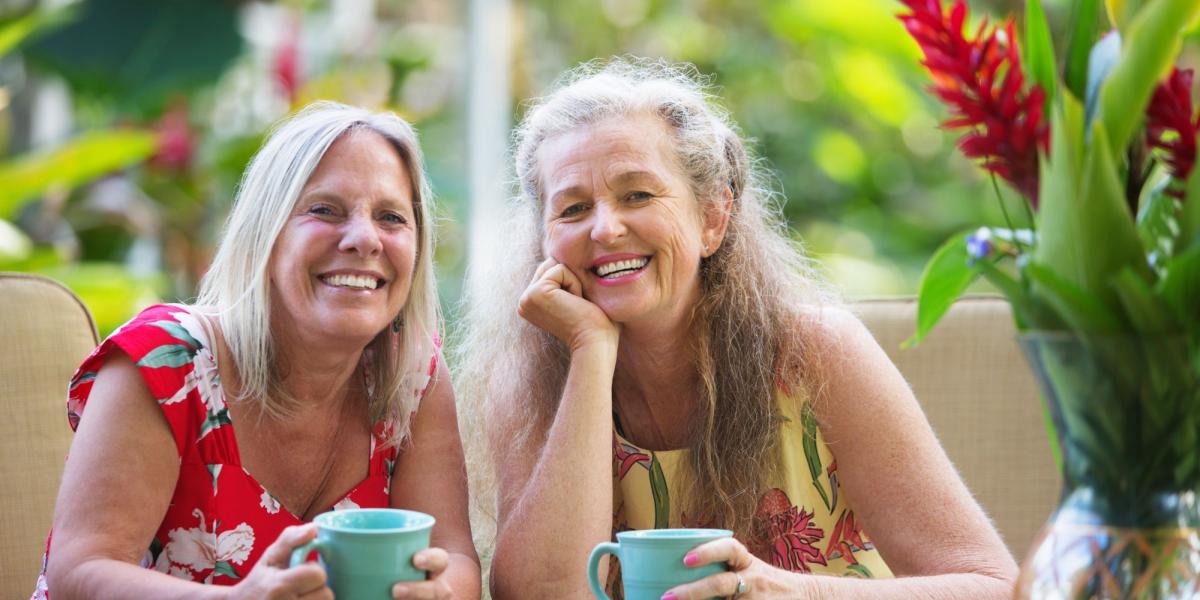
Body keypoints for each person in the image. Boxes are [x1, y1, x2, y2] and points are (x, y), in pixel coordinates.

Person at [459, 59, 1017, 599]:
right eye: (573, 208)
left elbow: (996, 587)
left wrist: (802, 593)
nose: (605, 229)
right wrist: (589, 350)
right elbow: (543, 595)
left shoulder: (816, 353)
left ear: (712, 219)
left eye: (638, 195)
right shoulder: (531, 382)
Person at [35, 102, 480, 599]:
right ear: (264, 237)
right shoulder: (166, 362)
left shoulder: (410, 376)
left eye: (391, 217)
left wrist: (440, 593)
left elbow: (454, 557)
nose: (363, 239)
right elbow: (80, 571)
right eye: (324, 210)